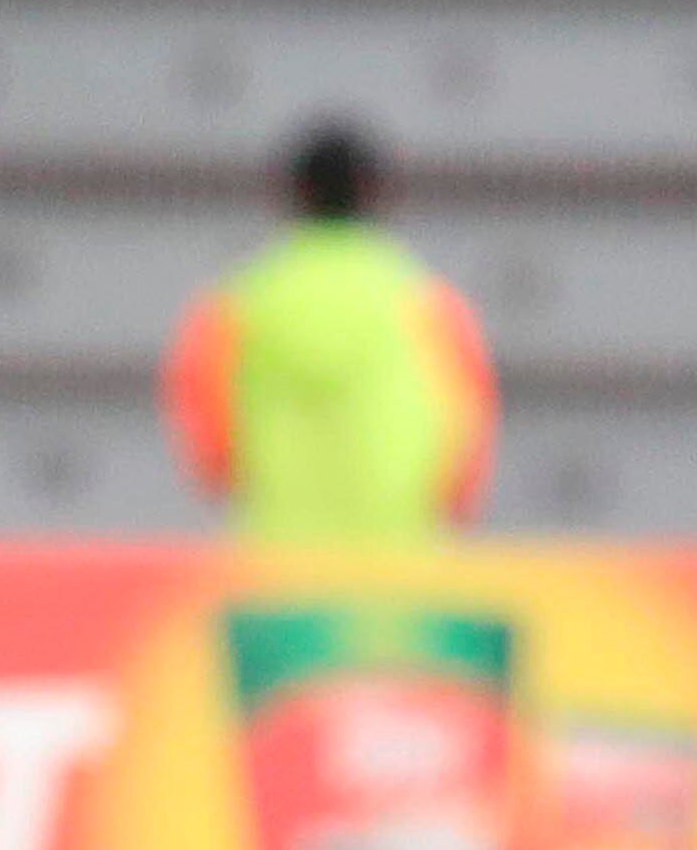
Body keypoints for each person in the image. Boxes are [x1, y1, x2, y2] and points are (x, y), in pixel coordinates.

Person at [162, 121, 497, 545]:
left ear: (292, 193)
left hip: (277, 563)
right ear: (376, 192)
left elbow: (209, 443)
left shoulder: (236, 306)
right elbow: (468, 438)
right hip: (401, 567)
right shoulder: (430, 304)